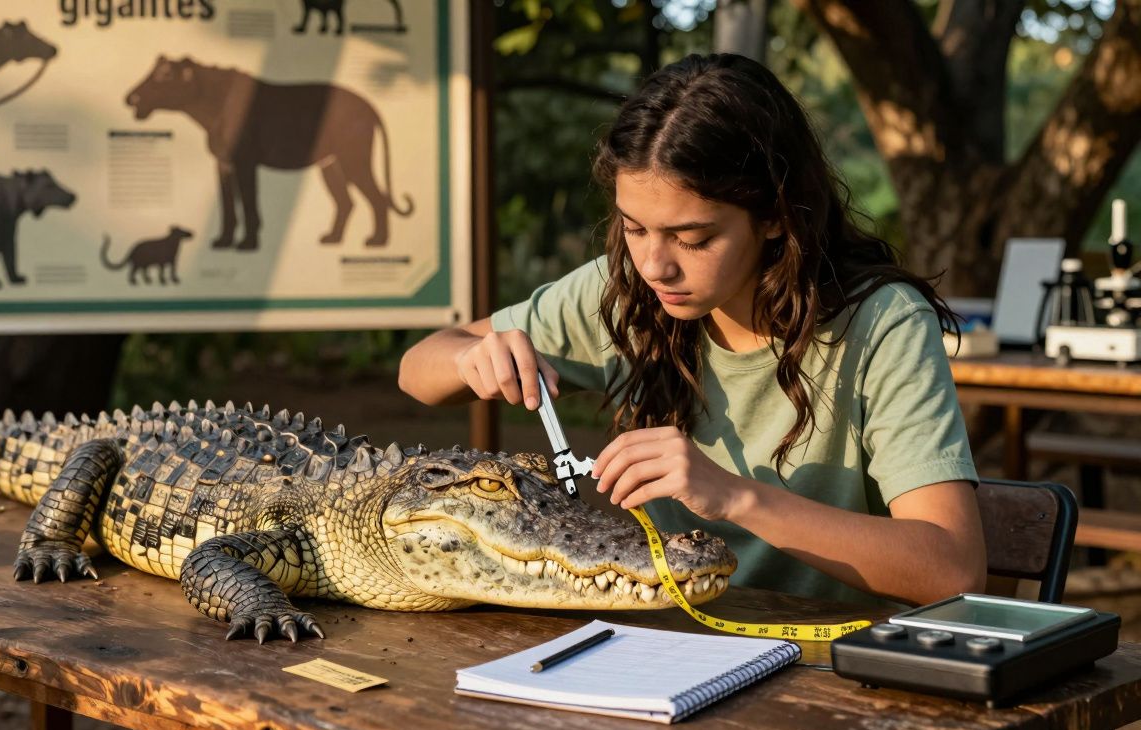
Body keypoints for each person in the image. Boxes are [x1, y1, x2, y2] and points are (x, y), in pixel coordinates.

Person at [397, 53, 985, 607]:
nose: (656, 265)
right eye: (634, 229)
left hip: (832, 674)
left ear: (778, 215)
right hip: (670, 647)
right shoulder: (625, 292)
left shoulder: (884, 325)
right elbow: (417, 371)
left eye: (694, 239)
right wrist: (472, 358)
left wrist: (735, 496)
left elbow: (953, 569)